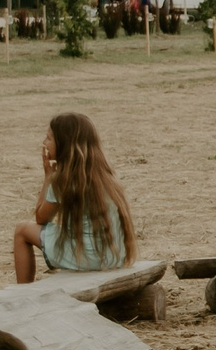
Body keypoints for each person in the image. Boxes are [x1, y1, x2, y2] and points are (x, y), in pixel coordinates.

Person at [11, 112, 137, 283]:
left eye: (49, 138)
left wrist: (48, 178)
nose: (44, 143)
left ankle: (22, 291)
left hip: (88, 260)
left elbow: (41, 218)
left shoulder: (64, 180)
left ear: (64, 143)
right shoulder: (107, 176)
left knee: (22, 230)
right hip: (113, 257)